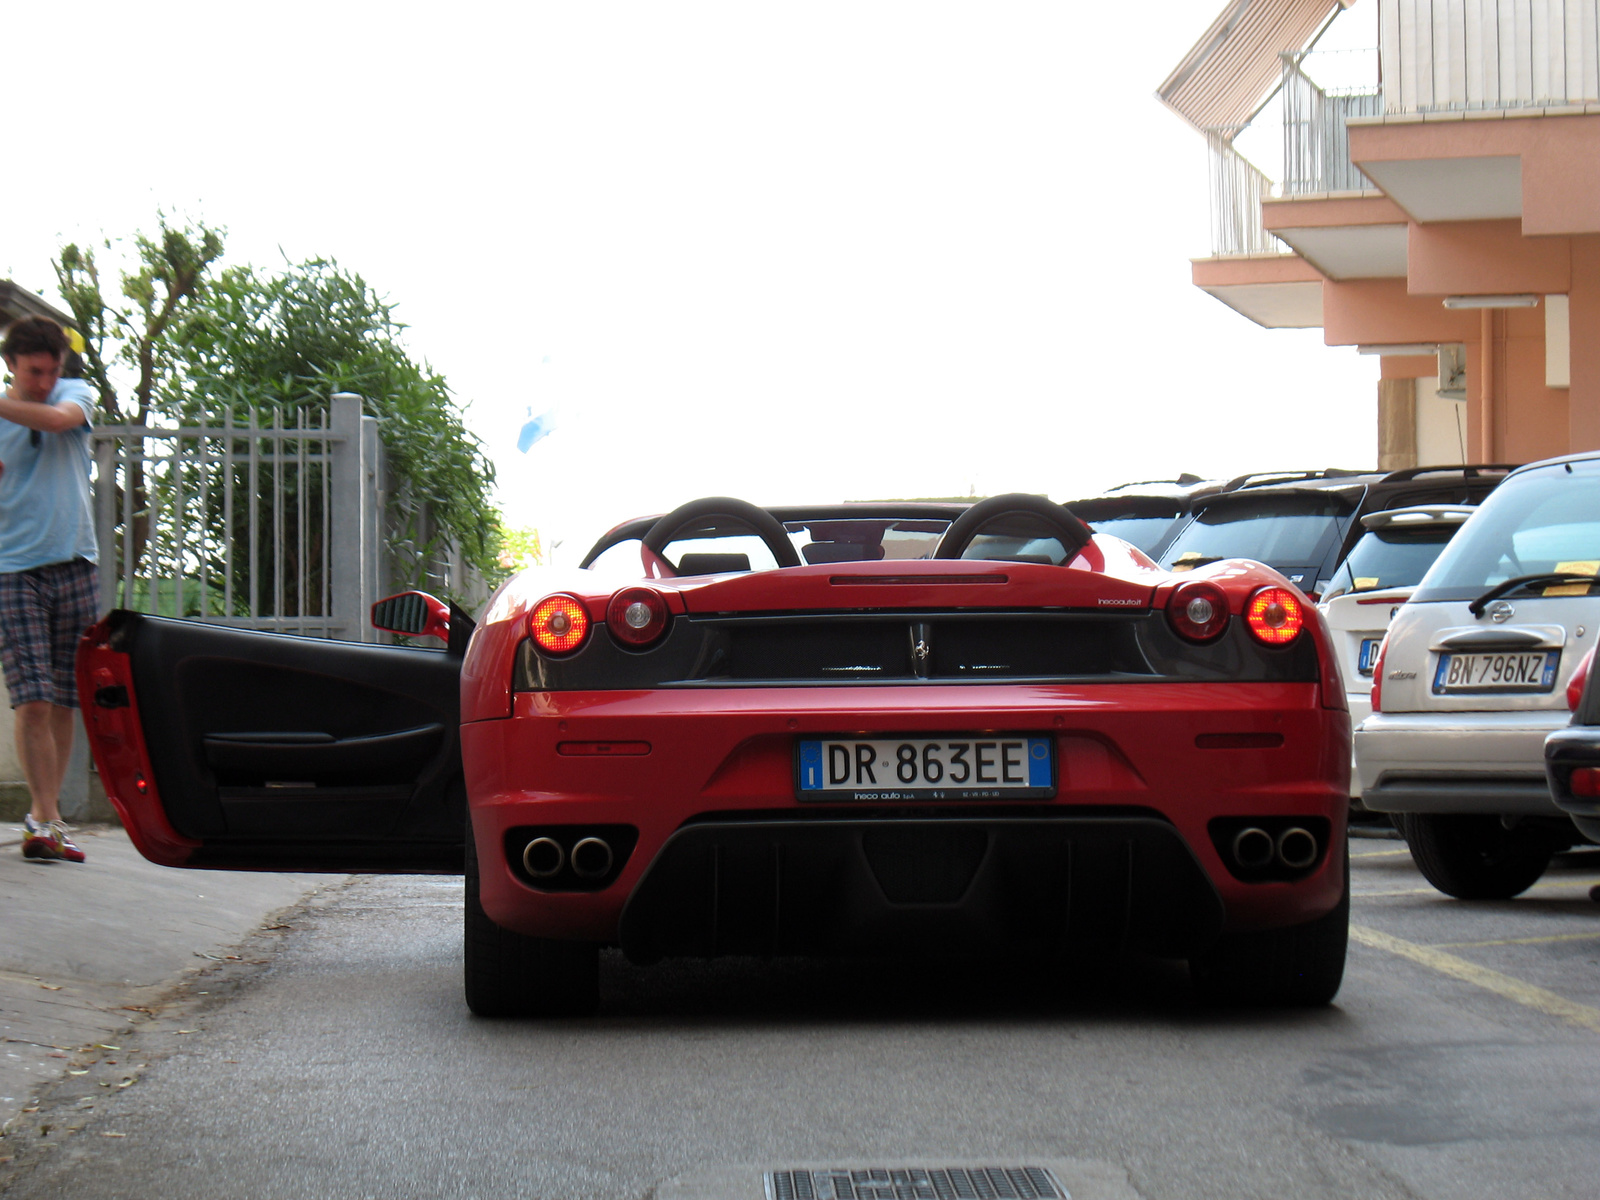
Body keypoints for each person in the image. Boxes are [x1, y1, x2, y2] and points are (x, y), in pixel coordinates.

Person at [0, 316, 98, 862]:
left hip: (75, 563)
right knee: (33, 698)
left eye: (51, 369)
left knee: (64, 699)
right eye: (34, 371)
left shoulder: (74, 393)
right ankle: (47, 819)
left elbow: (59, 421)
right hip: (12, 568)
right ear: (11, 365)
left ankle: (44, 817)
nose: (44, 381)